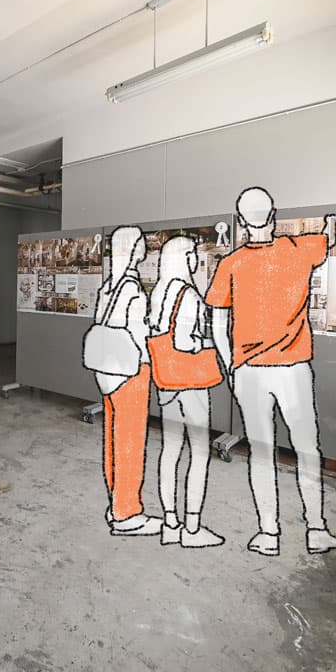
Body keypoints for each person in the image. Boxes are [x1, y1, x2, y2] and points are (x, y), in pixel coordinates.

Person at [205, 187, 336, 556]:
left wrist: (231, 364)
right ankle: (316, 528)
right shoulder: (298, 249)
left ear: (239, 219)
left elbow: (218, 322)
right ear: (274, 214)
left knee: (261, 450)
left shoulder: (230, 264)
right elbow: (328, 239)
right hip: (293, 368)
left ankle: (268, 533)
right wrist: (330, 223)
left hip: (248, 370)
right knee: (307, 449)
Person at [147, 236, 225, 548]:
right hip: (191, 383)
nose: (196, 259)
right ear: (186, 258)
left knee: (170, 450)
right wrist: (205, 344)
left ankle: (169, 522)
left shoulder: (160, 291)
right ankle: (192, 528)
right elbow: (183, 342)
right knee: (200, 452)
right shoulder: (189, 294)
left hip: (167, 382)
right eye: (193, 254)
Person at [90, 226, 161, 536]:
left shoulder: (108, 287)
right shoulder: (133, 289)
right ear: (134, 250)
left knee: (113, 439)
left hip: (106, 373)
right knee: (131, 442)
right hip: (131, 373)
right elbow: (139, 337)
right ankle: (127, 513)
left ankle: (114, 501)